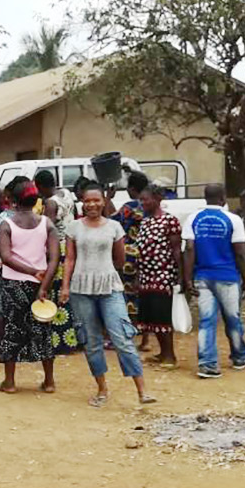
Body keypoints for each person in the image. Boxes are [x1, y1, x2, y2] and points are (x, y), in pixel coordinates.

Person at [61, 183, 154, 407]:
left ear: (104, 201)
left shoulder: (114, 227)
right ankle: (102, 389)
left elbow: (120, 260)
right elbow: (70, 259)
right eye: (88, 200)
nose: (92, 204)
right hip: (80, 289)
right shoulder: (74, 227)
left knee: (121, 337)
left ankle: (142, 391)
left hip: (110, 287)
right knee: (91, 341)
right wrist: (65, 286)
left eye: (96, 200)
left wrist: (102, 271)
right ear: (82, 202)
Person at [0, 180, 60, 394]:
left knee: (12, 328)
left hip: (13, 284)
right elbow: (54, 258)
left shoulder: (7, 224)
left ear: (12, 200)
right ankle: (49, 381)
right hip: (41, 283)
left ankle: (10, 382)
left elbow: (5, 257)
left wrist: (29, 272)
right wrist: (43, 283)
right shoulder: (47, 223)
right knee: (43, 329)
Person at [182, 183, 245, 378]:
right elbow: (241, 253)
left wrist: (187, 280)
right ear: (223, 198)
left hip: (202, 277)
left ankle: (208, 364)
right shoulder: (233, 220)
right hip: (228, 277)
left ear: (206, 198)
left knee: (207, 320)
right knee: (233, 318)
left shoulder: (193, 218)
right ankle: (240, 356)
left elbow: (189, 250)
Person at [135, 184, 184, 367]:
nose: (143, 203)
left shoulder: (169, 221)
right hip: (146, 275)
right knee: (152, 317)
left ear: (157, 199)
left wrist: (180, 276)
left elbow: (177, 250)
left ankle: (170, 356)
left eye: (145, 199)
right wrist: (138, 275)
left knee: (163, 316)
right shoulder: (145, 222)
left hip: (163, 274)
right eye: (141, 200)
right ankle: (162, 353)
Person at [111, 170, 150, 346]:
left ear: (132, 188)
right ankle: (146, 338)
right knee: (142, 294)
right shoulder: (149, 205)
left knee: (127, 295)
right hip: (146, 254)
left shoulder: (129, 207)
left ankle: (131, 333)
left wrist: (107, 198)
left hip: (128, 256)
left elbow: (111, 221)